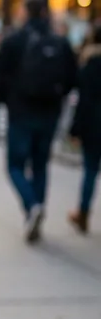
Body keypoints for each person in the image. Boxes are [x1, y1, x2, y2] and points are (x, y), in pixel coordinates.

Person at [0, 0, 78, 243]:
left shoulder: (14, 41)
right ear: (44, 12)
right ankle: (37, 204)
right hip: (49, 113)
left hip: (21, 113)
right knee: (40, 165)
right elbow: (72, 78)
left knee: (15, 165)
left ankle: (31, 206)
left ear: (24, 11)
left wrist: (7, 101)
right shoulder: (60, 42)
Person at [68, 23, 101, 234]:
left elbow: (83, 101)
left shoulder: (89, 63)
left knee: (90, 171)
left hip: (93, 125)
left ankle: (83, 212)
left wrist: (75, 130)